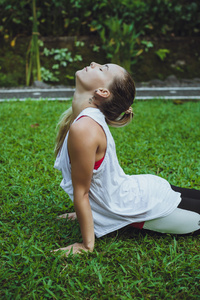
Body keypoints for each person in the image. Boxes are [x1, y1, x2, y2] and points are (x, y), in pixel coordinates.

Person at [53, 62, 200, 256]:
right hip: (139, 199)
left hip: (146, 206)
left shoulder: (84, 127)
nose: (93, 63)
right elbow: (90, 185)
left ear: (102, 92)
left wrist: (87, 246)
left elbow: (82, 192)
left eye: (102, 68)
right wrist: (93, 214)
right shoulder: (86, 121)